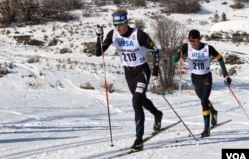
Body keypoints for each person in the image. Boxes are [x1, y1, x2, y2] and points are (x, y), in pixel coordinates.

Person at [94, 9, 163, 151]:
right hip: (128, 73)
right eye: (115, 25)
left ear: (126, 22)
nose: (118, 28)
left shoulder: (138, 35)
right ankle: (157, 113)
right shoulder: (113, 34)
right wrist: (99, 37)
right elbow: (97, 53)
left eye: (120, 24)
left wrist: (155, 72)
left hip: (142, 71)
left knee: (136, 101)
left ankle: (139, 140)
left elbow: (156, 51)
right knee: (141, 99)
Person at [173, 29, 232, 138]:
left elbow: (220, 58)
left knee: (204, 101)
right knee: (203, 100)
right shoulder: (187, 47)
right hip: (195, 78)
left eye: (194, 40)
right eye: (190, 40)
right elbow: (175, 60)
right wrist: (179, 51)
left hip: (206, 77)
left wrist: (225, 74)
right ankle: (213, 112)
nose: (192, 43)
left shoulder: (208, 48)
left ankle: (206, 129)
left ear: (199, 39)